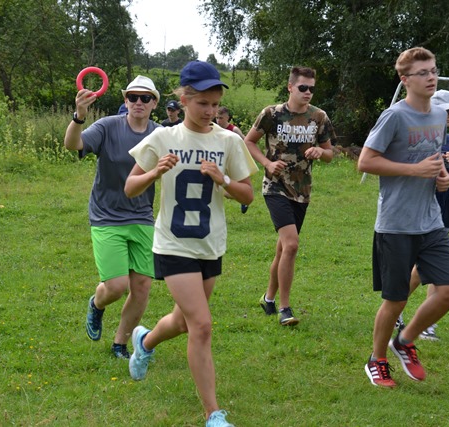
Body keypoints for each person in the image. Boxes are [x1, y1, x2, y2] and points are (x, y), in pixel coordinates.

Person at [124, 60, 257, 427]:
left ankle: (145, 342)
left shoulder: (229, 141)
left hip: (210, 245)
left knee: (183, 322)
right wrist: (155, 171)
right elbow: (130, 187)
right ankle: (213, 414)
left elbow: (248, 196)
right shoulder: (164, 138)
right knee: (201, 325)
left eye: (215, 104)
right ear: (183, 100)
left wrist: (223, 180)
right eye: (202, 104)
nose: (210, 111)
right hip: (172, 244)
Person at [357, 47, 449, 388]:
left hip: (431, 220)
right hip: (395, 223)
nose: (431, 77)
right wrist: (414, 170)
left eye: (434, 70)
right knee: (396, 298)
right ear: (405, 80)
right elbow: (365, 162)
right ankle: (377, 360)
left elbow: (434, 159)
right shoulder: (394, 117)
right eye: (423, 73)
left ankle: (404, 341)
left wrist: (441, 177)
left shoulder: (439, 115)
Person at [63, 75, 161, 359]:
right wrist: (79, 116)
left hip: (142, 215)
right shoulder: (108, 126)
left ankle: (120, 343)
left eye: (145, 98)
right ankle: (97, 304)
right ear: (125, 100)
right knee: (116, 287)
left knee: (142, 286)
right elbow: (72, 144)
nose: (138, 102)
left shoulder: (160, 134)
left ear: (154, 103)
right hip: (106, 215)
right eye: (133, 97)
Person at [244, 66, 335, 326]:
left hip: (302, 191)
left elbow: (330, 153)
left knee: (284, 248)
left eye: (311, 89)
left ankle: (268, 298)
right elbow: (249, 142)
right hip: (275, 187)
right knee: (292, 245)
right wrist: (267, 163)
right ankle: (285, 308)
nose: (308, 93)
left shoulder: (319, 117)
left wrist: (320, 152)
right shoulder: (271, 114)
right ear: (290, 87)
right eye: (303, 87)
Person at [397, 89, 449, 342]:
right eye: (446, 111)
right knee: (424, 267)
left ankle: (425, 323)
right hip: (420, 204)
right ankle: (397, 308)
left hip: (446, 206)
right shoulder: (421, 137)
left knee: (433, 268)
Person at [216, 106, 249, 213]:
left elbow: (246, 142)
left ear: (227, 118)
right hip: (220, 160)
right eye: (217, 118)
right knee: (219, 188)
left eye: (221, 118)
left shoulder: (234, 130)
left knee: (226, 190)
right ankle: (243, 198)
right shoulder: (215, 130)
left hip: (232, 162)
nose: (218, 120)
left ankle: (244, 198)